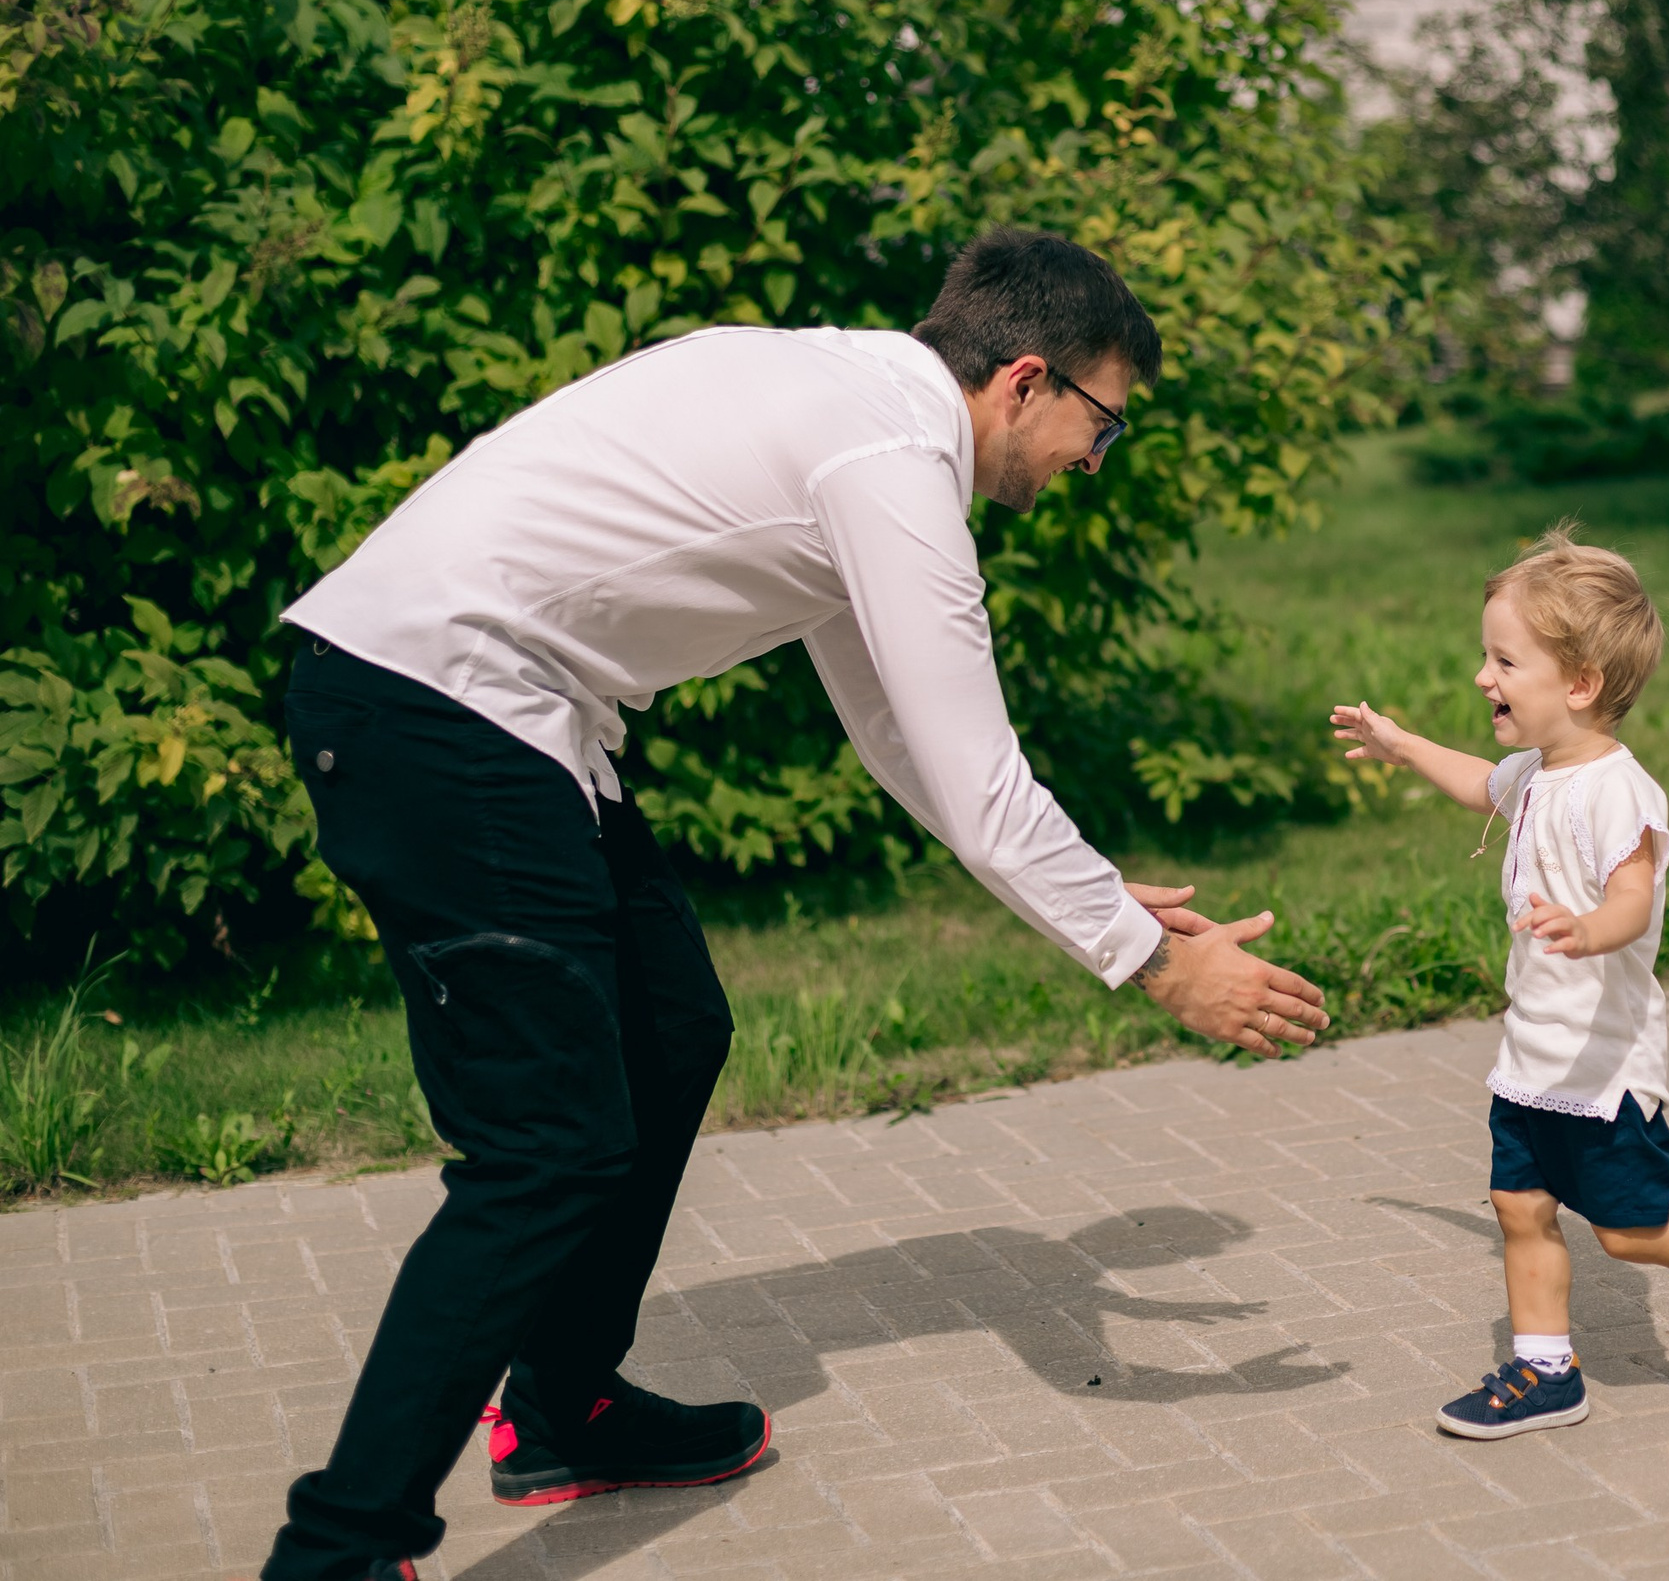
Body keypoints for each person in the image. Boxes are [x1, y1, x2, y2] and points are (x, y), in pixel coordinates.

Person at [262, 228, 1328, 1581]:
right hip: (436, 713)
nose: (1090, 464)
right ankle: (338, 1548)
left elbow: (905, 736)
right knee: (544, 1148)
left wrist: (1093, 892)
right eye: (1101, 426)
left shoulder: (850, 410)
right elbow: (970, 769)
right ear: (1023, 379)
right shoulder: (885, 459)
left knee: (672, 1030)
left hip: (505, 722)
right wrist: (1156, 967)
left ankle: (565, 1402)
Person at [1328, 523, 1669, 1440]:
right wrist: (1399, 742)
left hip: (1604, 1074)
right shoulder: (1537, 771)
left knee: (1631, 1232)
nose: (1483, 677)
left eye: (1503, 660)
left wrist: (1588, 926)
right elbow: (1482, 782)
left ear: (1579, 685)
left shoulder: (1617, 792)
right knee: (1518, 1206)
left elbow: (1634, 899)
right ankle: (1546, 1369)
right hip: (1533, 1060)